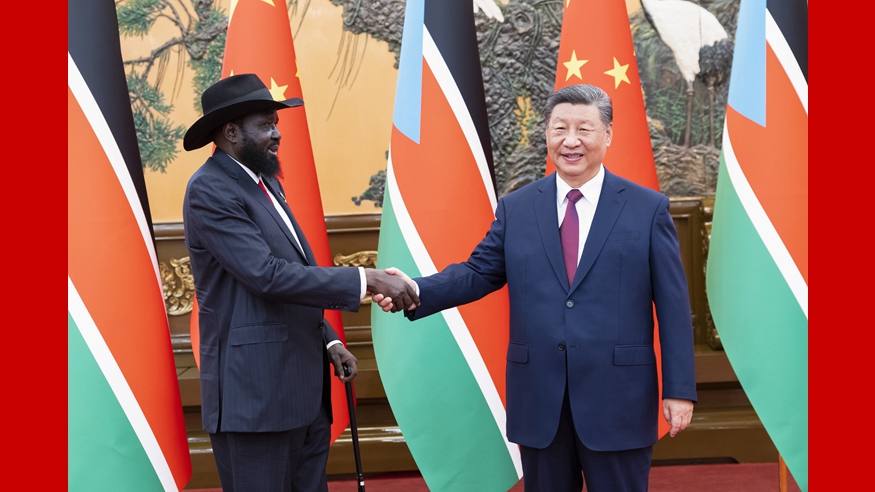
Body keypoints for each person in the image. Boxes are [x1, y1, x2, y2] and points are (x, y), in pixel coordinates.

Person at [377, 84, 697, 491]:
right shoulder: (518, 208)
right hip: (541, 401)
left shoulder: (647, 209)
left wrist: (679, 390)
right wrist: (414, 289)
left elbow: (673, 306)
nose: (570, 141)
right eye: (560, 128)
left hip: (618, 399)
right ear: (547, 133)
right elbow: (477, 273)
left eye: (584, 129)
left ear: (608, 135)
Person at [181, 73, 418, 492]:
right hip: (257, 400)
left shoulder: (265, 183)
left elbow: (291, 272)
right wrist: (366, 278)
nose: (277, 134)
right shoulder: (210, 190)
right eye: (266, 125)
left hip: (302, 393)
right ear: (231, 132)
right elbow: (266, 275)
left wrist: (328, 340)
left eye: (276, 124)